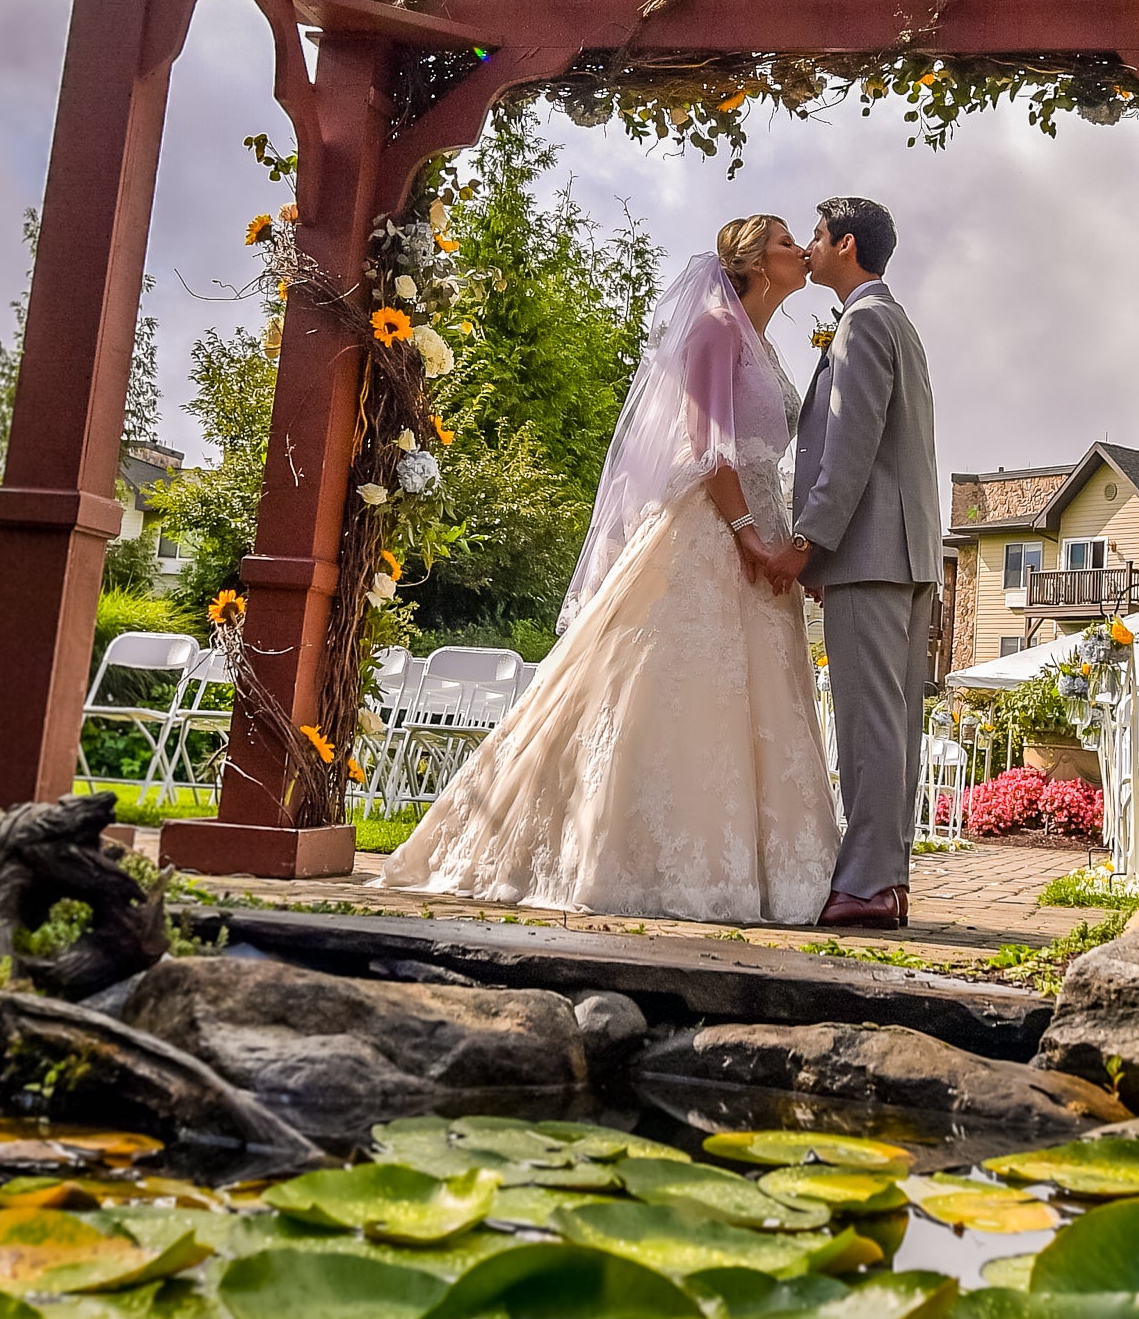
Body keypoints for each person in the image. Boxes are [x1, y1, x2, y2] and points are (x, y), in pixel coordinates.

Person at [369, 214, 841, 925]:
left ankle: (758, 866)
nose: (799, 249)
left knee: (753, 698)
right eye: (784, 241)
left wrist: (785, 542)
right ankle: (630, 855)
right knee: (668, 684)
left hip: (762, 529)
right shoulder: (713, 325)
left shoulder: (763, 341)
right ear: (749, 258)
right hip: (712, 531)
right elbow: (707, 448)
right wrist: (748, 538)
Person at [749, 196, 940, 934]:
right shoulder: (893, 320)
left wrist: (808, 543)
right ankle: (884, 881)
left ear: (847, 244)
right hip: (903, 548)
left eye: (818, 236)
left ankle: (865, 885)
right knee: (892, 726)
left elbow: (850, 444)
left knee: (870, 728)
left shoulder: (863, 322)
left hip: (868, 551)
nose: (809, 248)